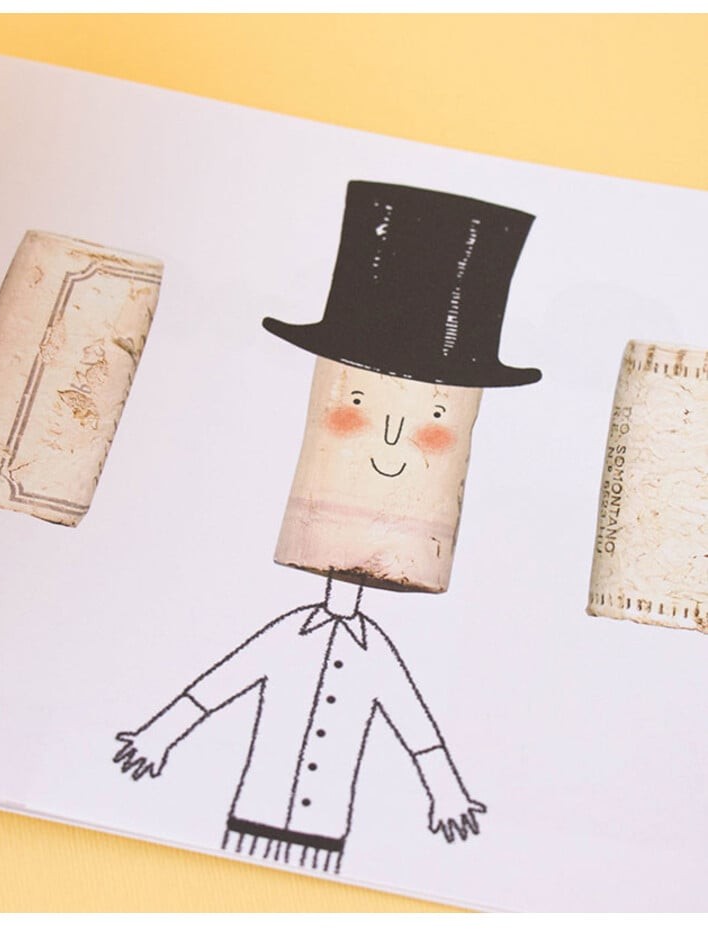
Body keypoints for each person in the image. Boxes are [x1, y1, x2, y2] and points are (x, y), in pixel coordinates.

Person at [114, 181, 541, 872]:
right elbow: (215, 687)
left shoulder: (372, 652)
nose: (390, 444)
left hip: (325, 827)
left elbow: (415, 728)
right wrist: (157, 737)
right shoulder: (292, 635)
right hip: (255, 813)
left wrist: (447, 794)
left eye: (433, 423)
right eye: (356, 408)